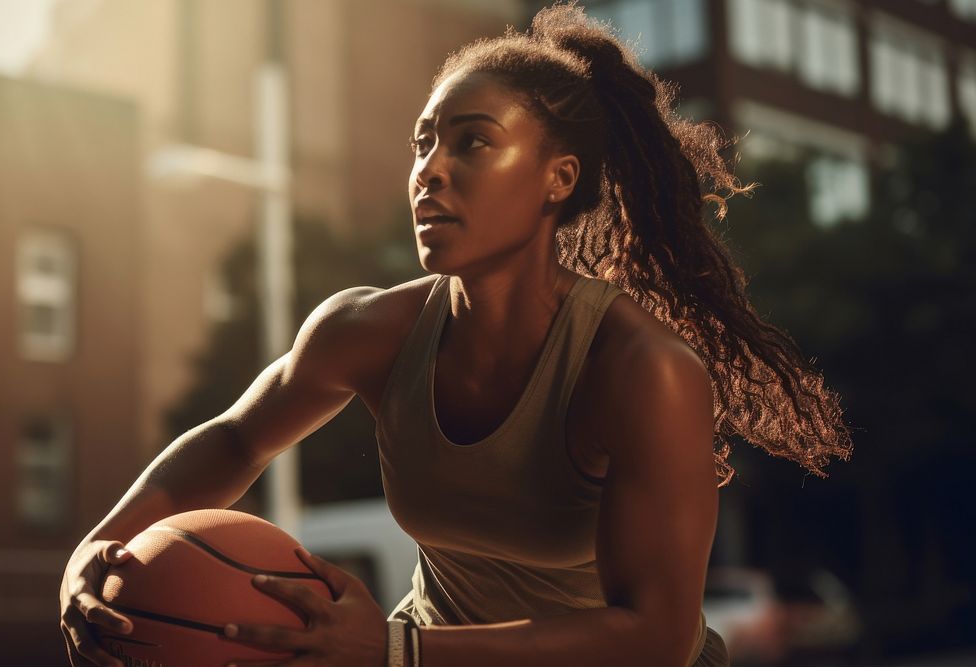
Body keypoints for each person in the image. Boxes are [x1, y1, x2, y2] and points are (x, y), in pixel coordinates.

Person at [59, 4, 853, 666]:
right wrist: (95, 549)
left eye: (472, 140)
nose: (429, 171)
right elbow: (235, 441)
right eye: (423, 142)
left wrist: (397, 651)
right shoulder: (366, 329)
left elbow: (655, 635)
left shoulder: (642, 370)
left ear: (559, 179)